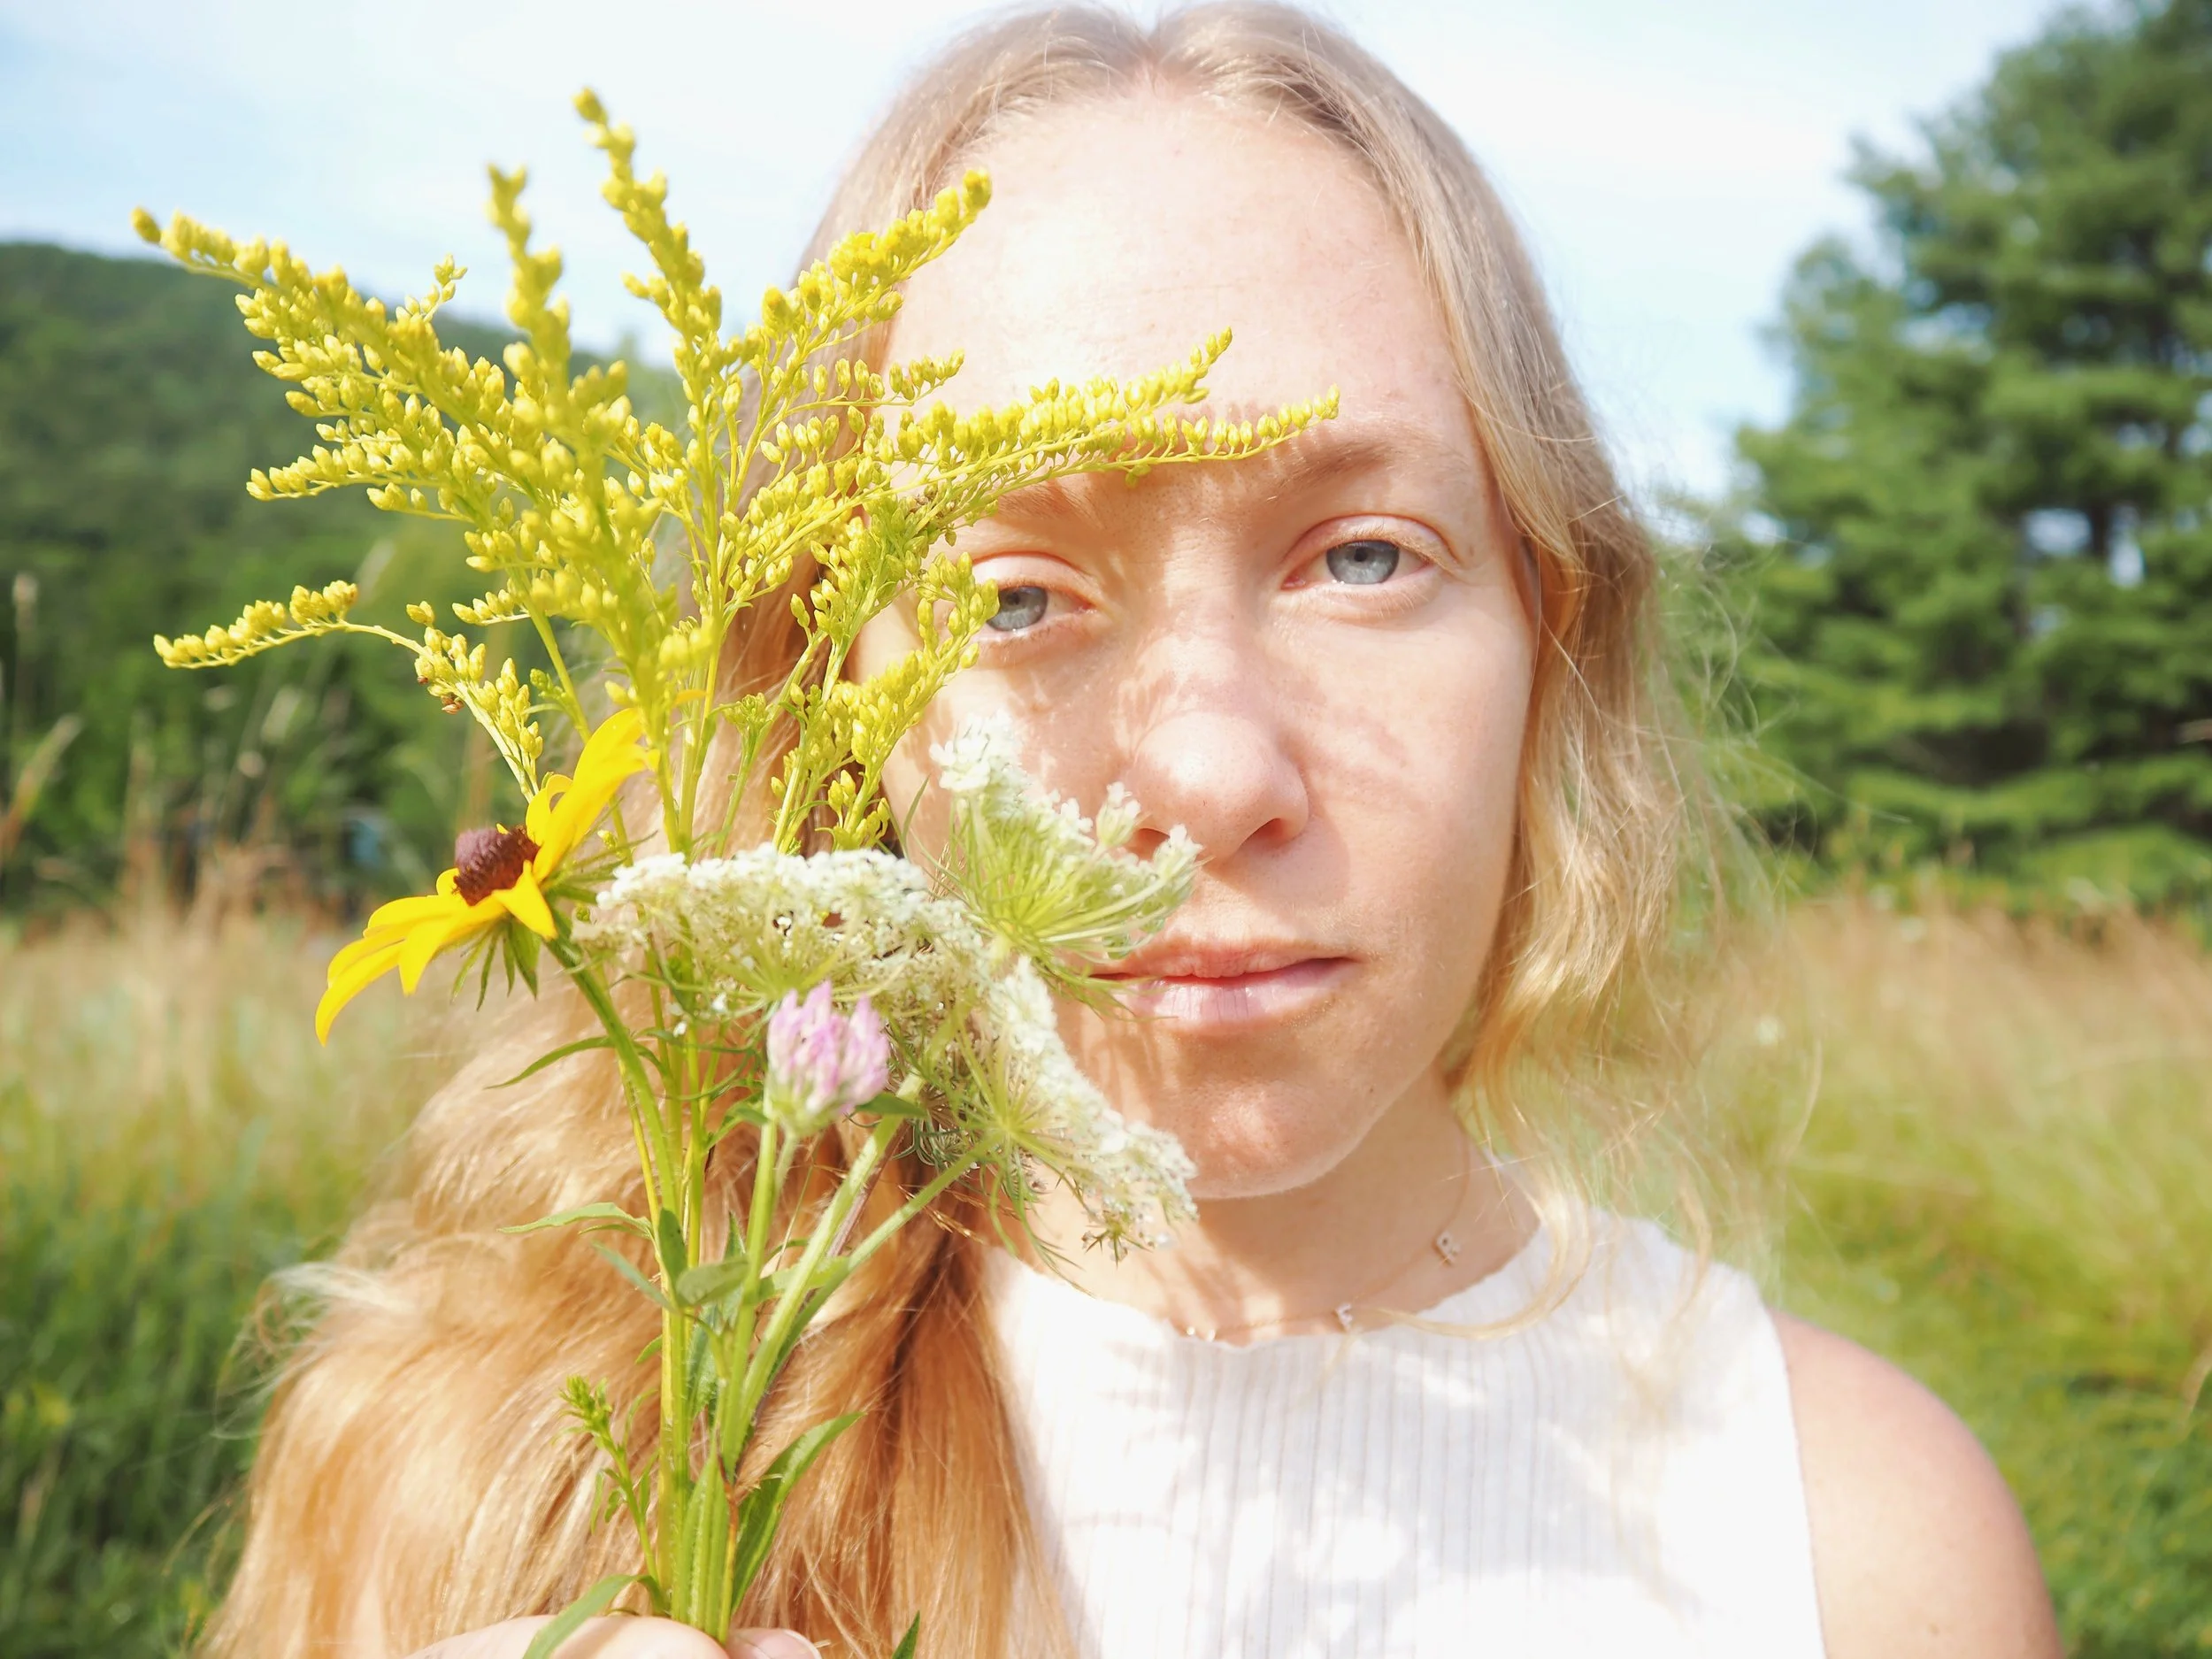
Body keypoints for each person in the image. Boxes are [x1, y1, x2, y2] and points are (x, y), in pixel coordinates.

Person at [206, 7, 2064, 1657]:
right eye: (1011, 596)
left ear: (1543, 630)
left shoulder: (1852, 1553)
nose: (1201, 772)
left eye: (1357, 557)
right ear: (822, 698)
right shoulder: (487, 1479)